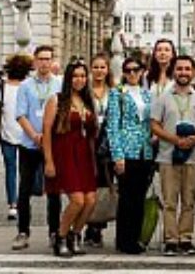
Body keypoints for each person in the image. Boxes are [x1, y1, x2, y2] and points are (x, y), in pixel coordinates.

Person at [150, 55, 195, 256]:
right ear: (173, 71)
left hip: (194, 156)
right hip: (168, 156)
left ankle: (185, 238)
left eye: (187, 69)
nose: (183, 73)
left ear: (193, 72)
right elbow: (154, 124)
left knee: (189, 200)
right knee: (170, 200)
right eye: (179, 69)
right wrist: (173, 139)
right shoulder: (163, 97)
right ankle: (170, 239)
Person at [43, 60, 99, 258]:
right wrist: (49, 161)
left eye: (83, 76)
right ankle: (60, 236)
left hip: (84, 155)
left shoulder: (88, 101)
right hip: (64, 154)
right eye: (75, 76)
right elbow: (47, 132)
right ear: (68, 78)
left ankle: (75, 235)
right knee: (77, 200)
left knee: (91, 201)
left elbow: (93, 133)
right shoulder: (56, 100)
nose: (79, 80)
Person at [12, 45, 63, 250]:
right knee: (24, 189)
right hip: (29, 144)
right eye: (41, 59)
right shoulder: (25, 86)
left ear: (52, 62)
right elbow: (20, 114)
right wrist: (34, 135)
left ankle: (54, 231)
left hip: (52, 144)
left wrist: (49, 136)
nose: (44, 63)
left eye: (48, 59)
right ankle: (23, 231)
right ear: (35, 62)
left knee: (53, 190)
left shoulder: (59, 84)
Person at [106, 56, 154, 255]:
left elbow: (150, 121)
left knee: (139, 197)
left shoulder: (147, 94)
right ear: (124, 73)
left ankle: (136, 237)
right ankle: (124, 240)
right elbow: (112, 126)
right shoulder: (117, 93)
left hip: (145, 150)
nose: (132, 73)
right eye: (128, 70)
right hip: (127, 150)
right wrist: (117, 155)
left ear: (142, 71)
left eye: (136, 69)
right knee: (127, 198)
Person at [83, 53, 113, 248]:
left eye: (103, 67)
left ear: (108, 70)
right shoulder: (85, 92)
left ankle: (97, 227)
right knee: (87, 186)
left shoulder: (114, 92)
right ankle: (86, 224)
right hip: (88, 142)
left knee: (104, 184)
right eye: (96, 67)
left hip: (107, 144)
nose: (99, 71)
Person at [0, 54, 31, 222]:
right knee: (24, 171)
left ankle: (13, 203)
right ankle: (22, 201)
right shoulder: (28, 87)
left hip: (7, 133)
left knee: (10, 170)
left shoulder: (3, 87)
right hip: (26, 134)